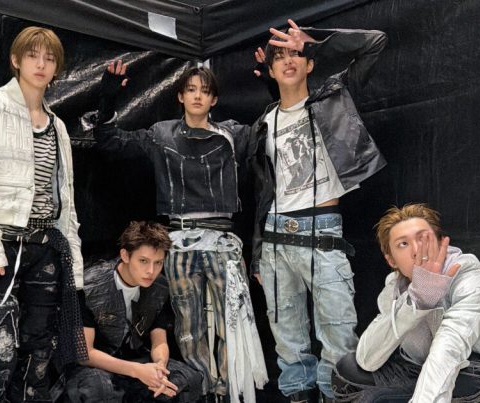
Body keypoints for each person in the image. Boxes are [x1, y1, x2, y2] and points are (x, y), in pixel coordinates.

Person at [83, 63, 267, 402]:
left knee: (233, 324)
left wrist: (272, 84)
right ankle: (203, 394)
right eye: (191, 89)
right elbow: (110, 140)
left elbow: (271, 130)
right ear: (180, 96)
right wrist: (107, 98)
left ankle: (230, 395)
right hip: (180, 244)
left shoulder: (233, 134)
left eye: (205, 91)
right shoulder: (162, 133)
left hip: (223, 242)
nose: (198, 96)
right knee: (189, 328)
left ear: (214, 99)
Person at [248, 19, 388, 402]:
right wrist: (258, 251)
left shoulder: (334, 99)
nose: (289, 60)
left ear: (309, 63)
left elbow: (375, 42)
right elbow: (262, 192)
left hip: (322, 232)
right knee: (287, 340)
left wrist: (315, 41)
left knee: (338, 335)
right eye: (280, 56)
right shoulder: (263, 123)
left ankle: (335, 396)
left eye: (296, 54)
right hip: (275, 238)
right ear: (271, 69)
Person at [0, 26, 86, 402]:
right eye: (33, 55)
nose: (41, 64)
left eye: (49, 58)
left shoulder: (58, 126)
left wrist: (75, 266)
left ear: (57, 67)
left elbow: (66, 200)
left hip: (46, 248)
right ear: (16, 59)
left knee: (38, 353)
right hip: (3, 247)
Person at [332, 204, 480, 402]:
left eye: (423, 238)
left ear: (441, 243)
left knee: (469, 380)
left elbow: (449, 350)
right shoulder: (395, 287)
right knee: (348, 369)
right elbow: (368, 359)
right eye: (403, 244)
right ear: (391, 260)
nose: (417, 250)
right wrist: (418, 300)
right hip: (430, 373)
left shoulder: (473, 280)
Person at [65, 221, 202, 403]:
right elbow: (85, 354)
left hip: (135, 357)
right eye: (143, 261)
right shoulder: (88, 286)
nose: (151, 271)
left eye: (158, 263)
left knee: (187, 379)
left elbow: (159, 341)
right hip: (96, 364)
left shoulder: (160, 287)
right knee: (97, 388)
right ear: (125, 255)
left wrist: (159, 368)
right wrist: (136, 371)